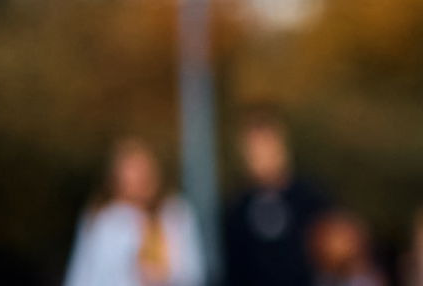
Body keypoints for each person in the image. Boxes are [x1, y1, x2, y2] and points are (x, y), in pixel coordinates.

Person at [64, 138, 205, 286]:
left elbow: (192, 271)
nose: (136, 182)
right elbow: (84, 273)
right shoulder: (104, 218)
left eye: (141, 174)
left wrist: (159, 275)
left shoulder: (175, 213)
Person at [221, 110, 333, 286]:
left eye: (267, 146)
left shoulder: (310, 198)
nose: (262, 156)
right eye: (254, 149)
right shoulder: (234, 211)